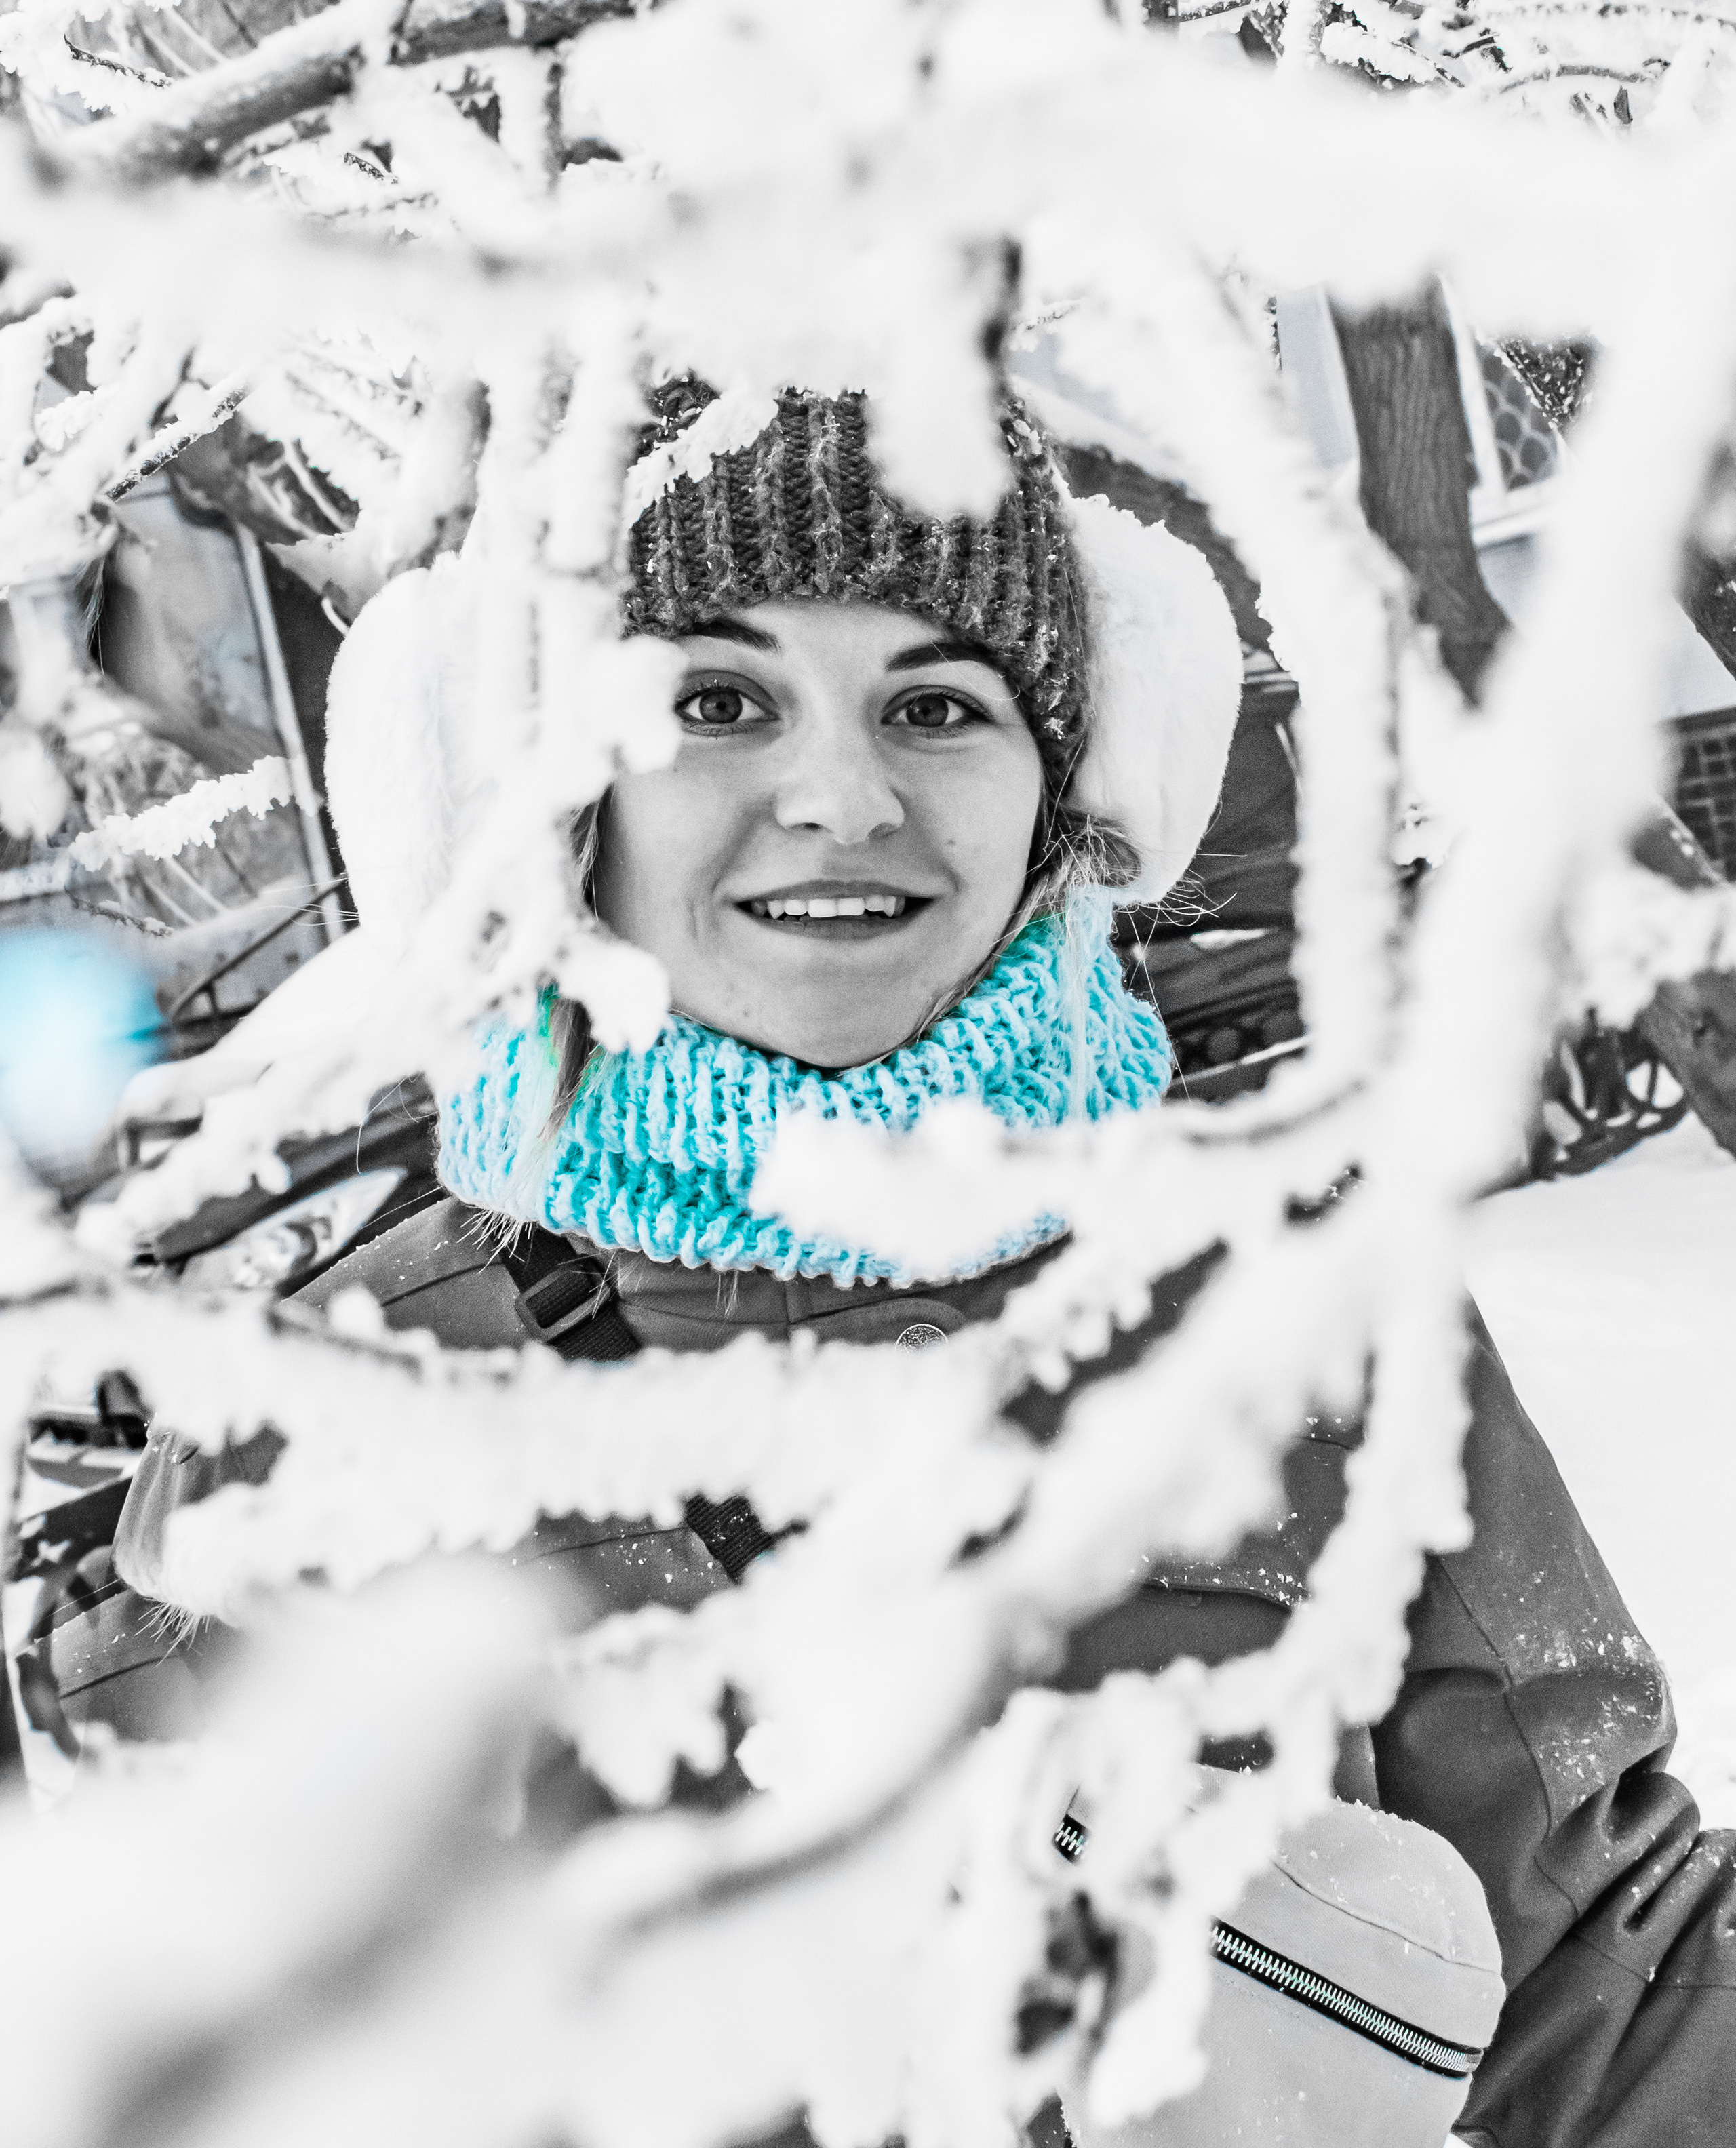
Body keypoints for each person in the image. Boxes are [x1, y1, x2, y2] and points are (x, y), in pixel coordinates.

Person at [112, 383, 1736, 2147]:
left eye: (940, 703)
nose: (837, 794)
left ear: (1069, 789)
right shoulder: (327, 1413)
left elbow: (1599, 1982)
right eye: (717, 701)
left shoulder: (1287, 1297)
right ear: (554, 791)